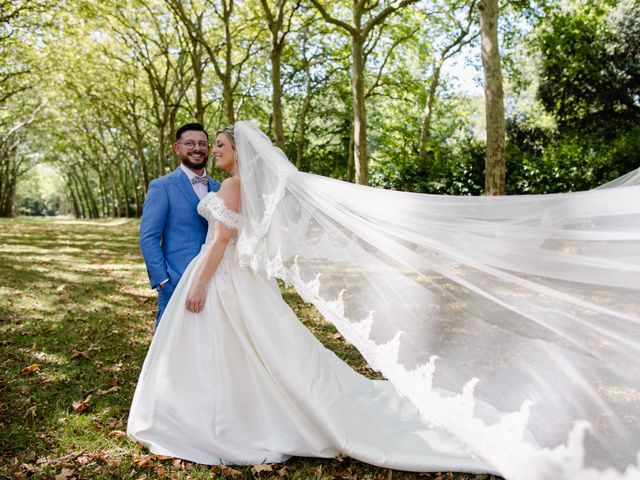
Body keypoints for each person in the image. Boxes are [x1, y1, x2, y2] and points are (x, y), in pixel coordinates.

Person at [129, 122, 640, 479]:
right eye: (207, 144)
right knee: (252, 352)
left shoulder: (233, 184)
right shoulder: (233, 183)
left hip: (218, 278)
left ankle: (224, 419)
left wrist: (196, 284)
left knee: (251, 352)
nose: (212, 149)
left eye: (217, 143)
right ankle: (227, 410)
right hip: (228, 279)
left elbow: (221, 240)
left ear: (237, 150)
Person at [139, 123, 221, 326]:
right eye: (190, 143)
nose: (197, 148)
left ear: (208, 149)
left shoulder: (220, 187)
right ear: (178, 148)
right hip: (176, 280)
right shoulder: (162, 186)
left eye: (202, 144)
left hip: (216, 278)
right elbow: (148, 237)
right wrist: (164, 280)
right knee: (171, 343)